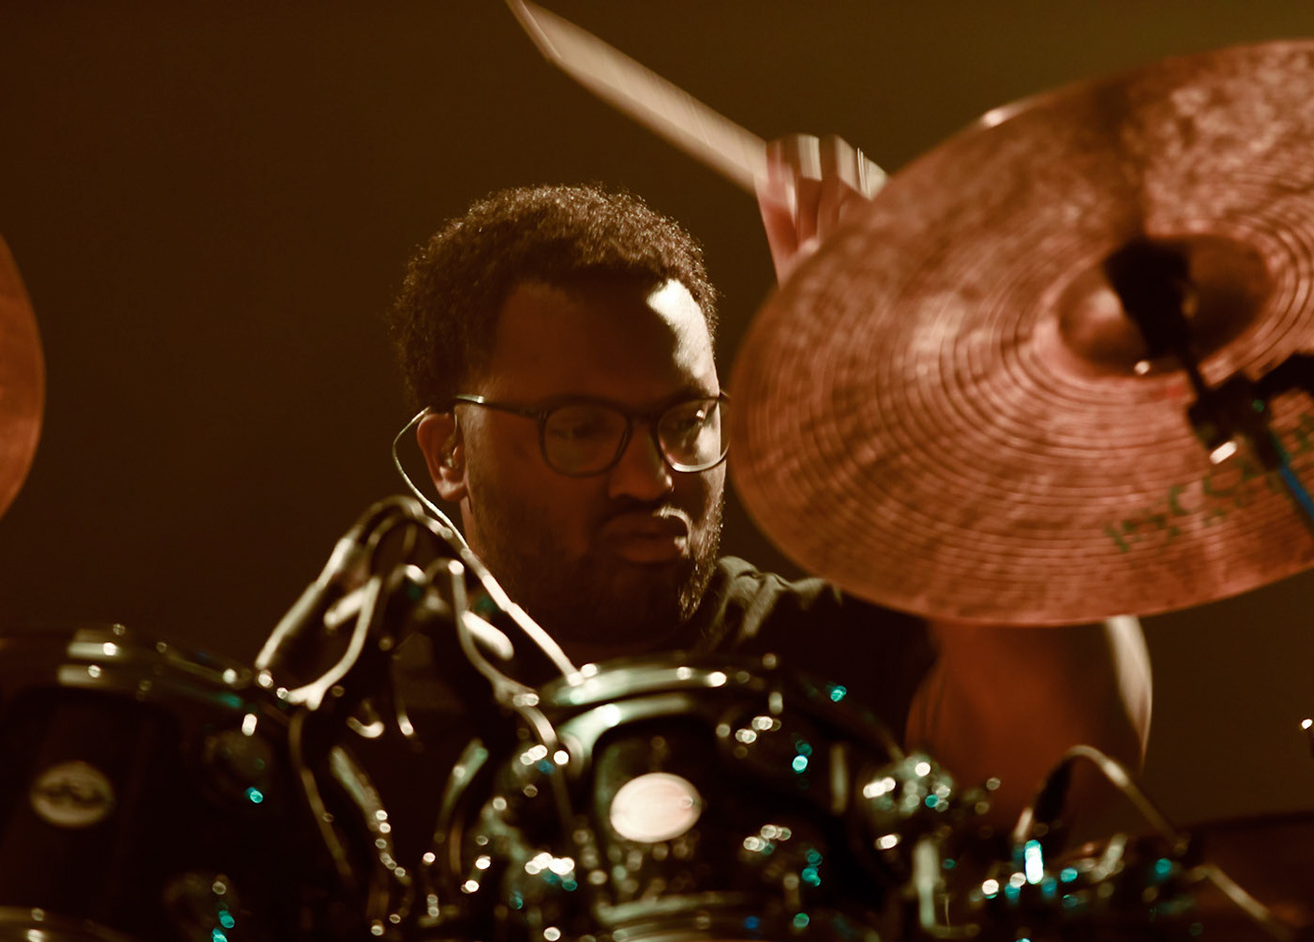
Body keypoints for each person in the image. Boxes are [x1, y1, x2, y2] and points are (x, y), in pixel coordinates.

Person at [388, 140, 1151, 821]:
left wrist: (920, 377)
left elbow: (1072, 768)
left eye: (687, 420)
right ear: (448, 451)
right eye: (581, 429)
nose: (652, 478)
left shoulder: (824, 657)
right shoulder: (365, 726)